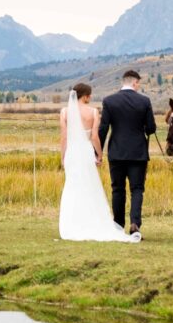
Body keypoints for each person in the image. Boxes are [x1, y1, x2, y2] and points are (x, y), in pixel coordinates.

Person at [59, 83, 139, 243]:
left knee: (73, 186)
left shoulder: (65, 112)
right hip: (86, 153)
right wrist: (100, 155)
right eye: (90, 95)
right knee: (90, 186)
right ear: (86, 96)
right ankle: (92, 220)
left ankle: (73, 223)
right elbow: (95, 136)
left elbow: (64, 137)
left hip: (72, 154)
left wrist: (63, 157)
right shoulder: (93, 112)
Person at [98, 70, 156, 240]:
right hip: (138, 152)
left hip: (116, 152)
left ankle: (117, 225)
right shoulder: (144, 101)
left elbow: (103, 128)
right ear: (135, 83)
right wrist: (142, 128)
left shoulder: (109, 101)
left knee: (117, 189)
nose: (139, 86)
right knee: (137, 189)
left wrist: (98, 151)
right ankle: (135, 224)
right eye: (139, 83)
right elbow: (151, 128)